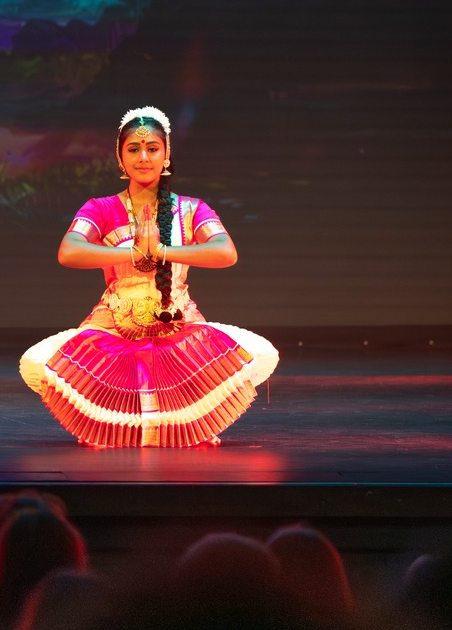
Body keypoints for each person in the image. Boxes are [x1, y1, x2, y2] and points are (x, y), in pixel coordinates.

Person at [19, 106, 278, 447]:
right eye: (134, 149)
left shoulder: (191, 209)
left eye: (152, 148)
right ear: (120, 157)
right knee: (46, 364)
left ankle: (189, 425)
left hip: (177, 323)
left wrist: (162, 251)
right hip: (114, 325)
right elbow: (69, 251)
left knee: (247, 354)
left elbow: (225, 252)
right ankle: (109, 427)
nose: (143, 157)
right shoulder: (100, 208)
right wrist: (133, 253)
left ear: (166, 154)